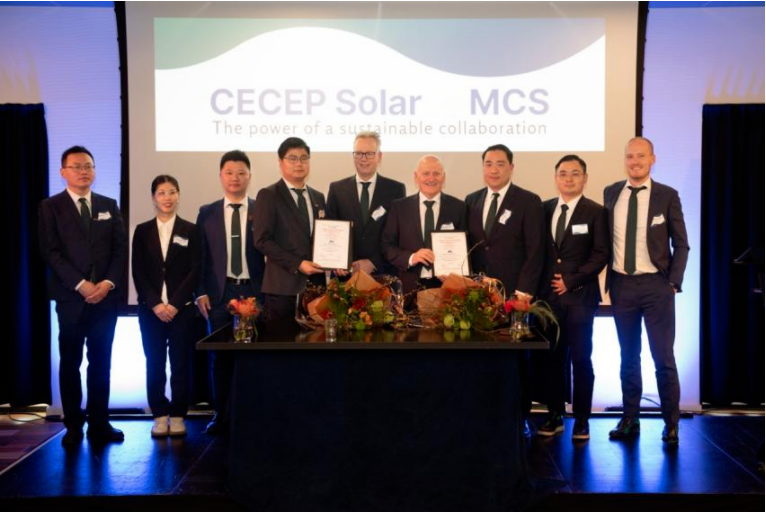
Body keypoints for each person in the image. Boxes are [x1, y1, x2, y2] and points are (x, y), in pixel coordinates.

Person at [38, 145, 127, 446]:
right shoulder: (50, 207)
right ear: (63, 172)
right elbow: (50, 252)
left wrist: (107, 283)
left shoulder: (108, 204)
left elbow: (119, 250)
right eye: (76, 166)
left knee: (101, 362)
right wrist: (80, 284)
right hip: (70, 299)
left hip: (105, 299)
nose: (83, 171)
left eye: (88, 165)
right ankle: (73, 425)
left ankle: (99, 424)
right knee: (70, 362)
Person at [604, 137, 689, 445]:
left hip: (656, 287)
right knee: (628, 356)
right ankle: (630, 419)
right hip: (622, 285)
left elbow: (681, 243)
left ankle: (671, 423)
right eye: (630, 156)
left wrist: (673, 282)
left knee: (663, 357)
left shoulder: (667, 195)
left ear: (653, 158)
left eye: (641, 156)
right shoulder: (611, 193)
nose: (635, 161)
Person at [465, 144, 544, 436]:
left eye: (500, 164)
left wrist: (523, 293)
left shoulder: (528, 201)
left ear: (511, 167)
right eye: (488, 163)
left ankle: (521, 418)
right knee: (483, 359)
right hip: (480, 296)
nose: (494, 169)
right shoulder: (472, 200)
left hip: (514, 297)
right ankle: (486, 418)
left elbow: (536, 251)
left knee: (517, 361)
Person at [536, 155, 609, 441]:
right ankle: (555, 415)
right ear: (556, 178)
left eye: (575, 173)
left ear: (585, 179)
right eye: (563, 173)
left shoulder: (596, 212)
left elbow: (601, 253)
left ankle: (581, 419)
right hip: (549, 300)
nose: (569, 178)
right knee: (552, 359)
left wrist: (572, 280)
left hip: (580, 298)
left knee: (580, 359)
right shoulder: (543, 209)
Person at [195, 150, 264, 435]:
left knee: (254, 358)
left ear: (249, 176)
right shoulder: (207, 213)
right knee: (220, 357)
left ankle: (250, 415)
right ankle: (220, 415)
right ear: (221, 176)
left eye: (241, 173)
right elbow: (199, 257)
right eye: (229, 173)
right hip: (219, 293)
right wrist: (200, 292)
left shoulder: (262, 210)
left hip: (254, 291)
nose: (235, 178)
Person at [132, 175, 201, 437]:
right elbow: (138, 271)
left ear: (178, 196)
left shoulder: (191, 230)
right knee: (155, 362)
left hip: (181, 309)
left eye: (172, 192)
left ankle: (179, 414)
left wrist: (174, 304)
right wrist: (155, 304)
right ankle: (159, 415)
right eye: (161, 193)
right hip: (151, 311)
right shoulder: (142, 231)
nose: (167, 197)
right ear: (153, 198)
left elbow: (195, 270)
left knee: (181, 363)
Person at [253, 137, 326, 324]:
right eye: (292, 158)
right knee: (282, 340)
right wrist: (298, 263)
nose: (299, 163)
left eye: (304, 158)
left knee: (316, 339)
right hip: (282, 288)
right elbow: (261, 240)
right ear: (280, 162)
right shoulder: (269, 195)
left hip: (316, 289)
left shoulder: (318, 197)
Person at [381, 155, 467, 301]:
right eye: (426, 173)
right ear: (416, 177)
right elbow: (386, 246)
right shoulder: (399, 207)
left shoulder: (459, 208)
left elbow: (465, 249)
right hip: (408, 290)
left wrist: (453, 271)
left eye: (436, 173)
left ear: (444, 177)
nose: (431, 178)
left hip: (446, 289)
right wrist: (411, 257)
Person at [326, 131, 406, 276]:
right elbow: (330, 231)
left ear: (379, 156)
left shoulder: (395, 190)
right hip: (344, 275)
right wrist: (338, 262)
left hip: (383, 275)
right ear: (353, 156)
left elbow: (398, 236)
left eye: (369, 153)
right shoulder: (337, 189)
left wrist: (374, 262)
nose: (363, 159)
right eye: (358, 153)